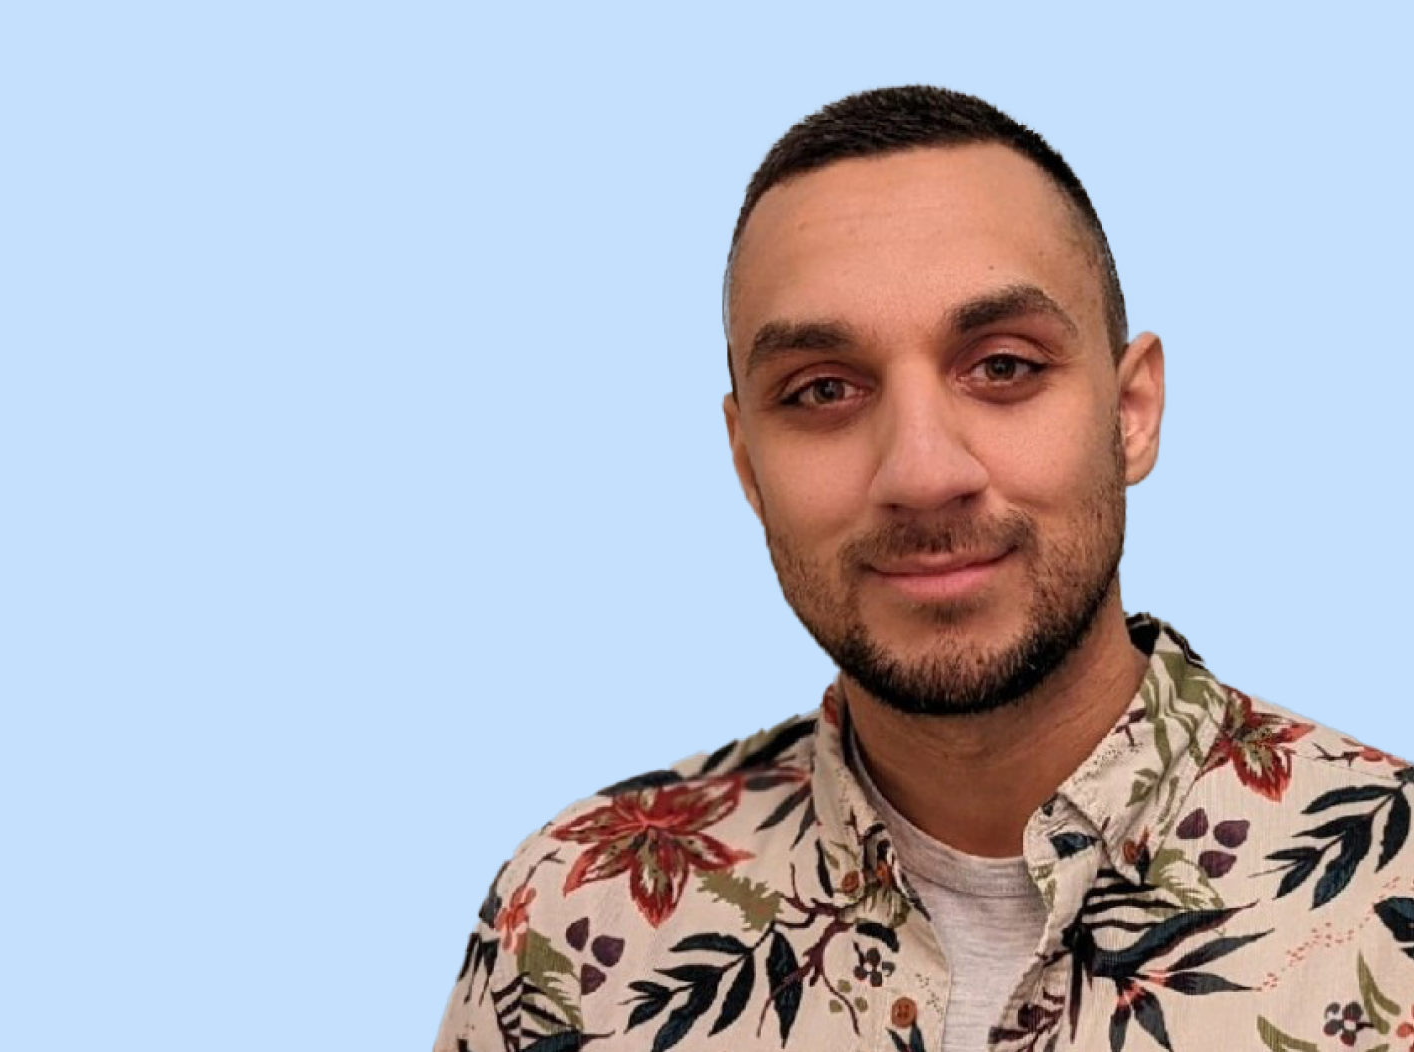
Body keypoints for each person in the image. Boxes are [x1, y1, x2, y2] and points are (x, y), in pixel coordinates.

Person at [433, 86, 1414, 1052]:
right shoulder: (572, 923)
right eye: (823, 389)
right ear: (748, 467)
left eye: (1003, 367)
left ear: (1131, 413)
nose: (922, 472)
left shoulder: (1393, 895)